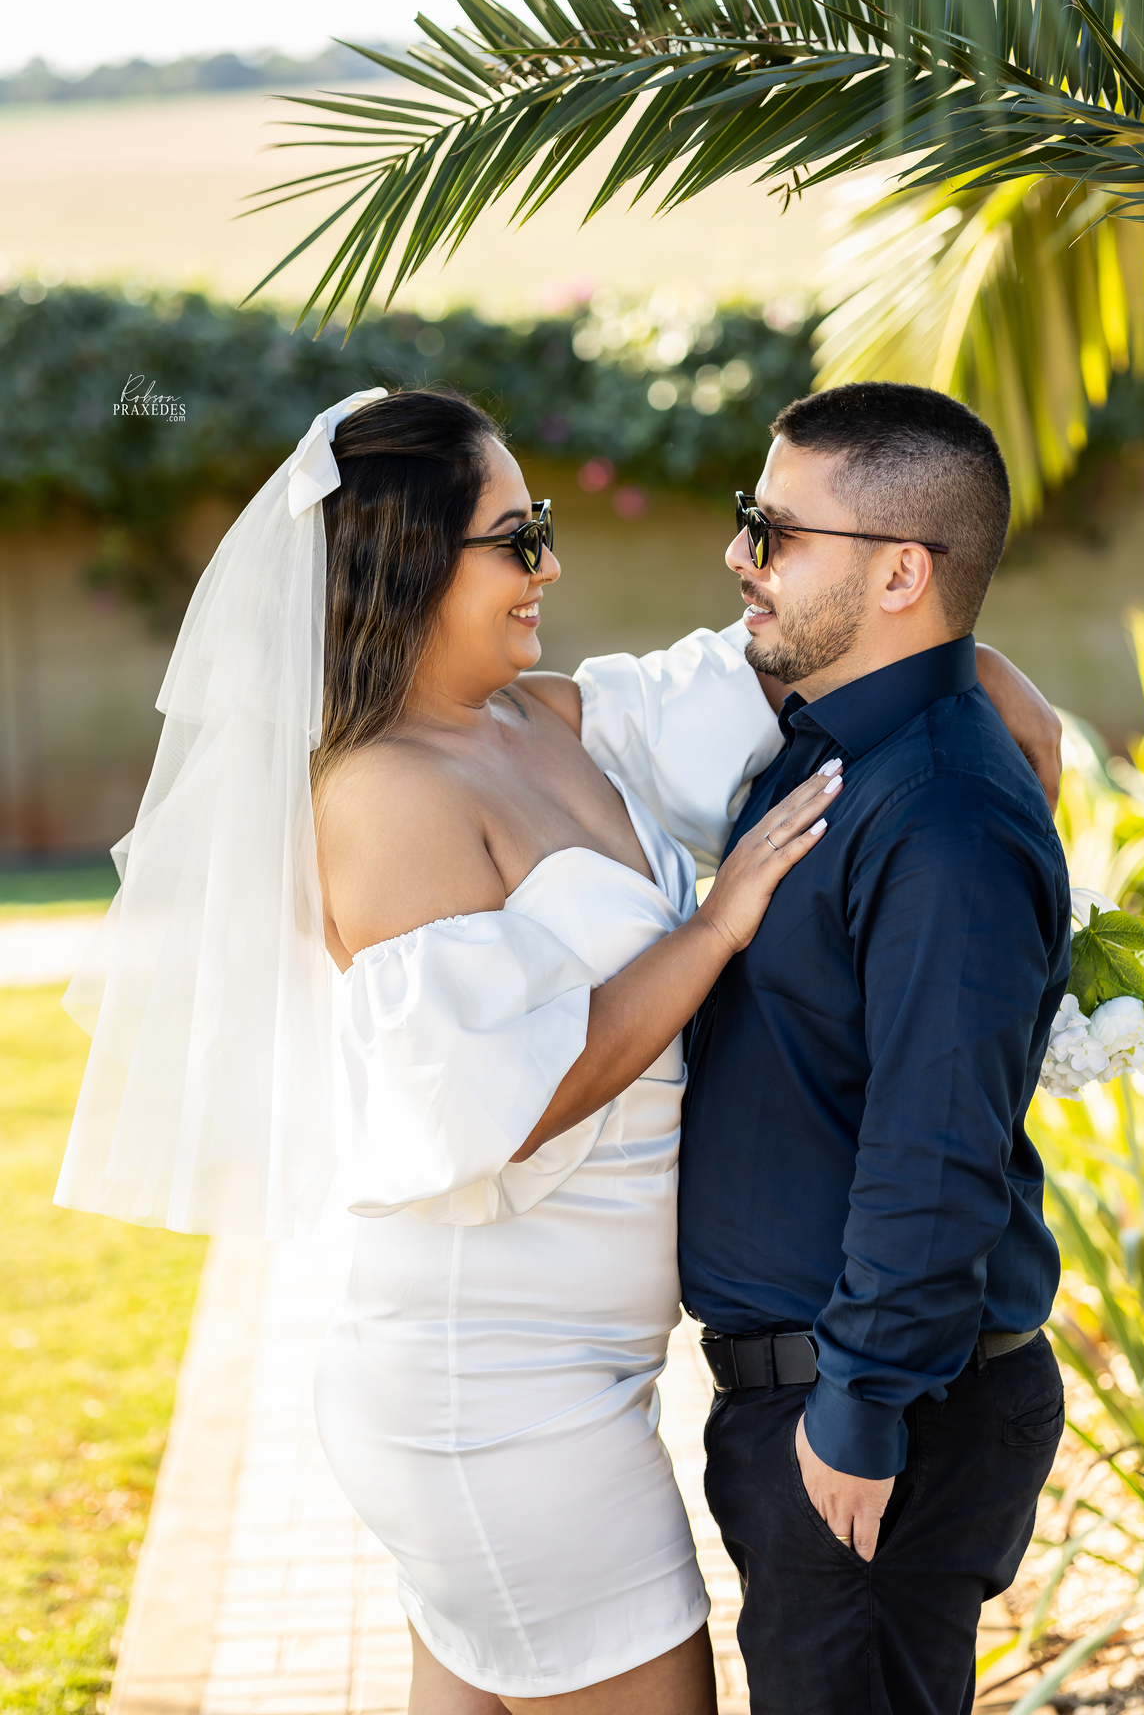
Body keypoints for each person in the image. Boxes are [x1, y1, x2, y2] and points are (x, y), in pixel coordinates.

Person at [55, 382, 1061, 1715]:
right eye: (517, 537)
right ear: (412, 560)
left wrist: (973, 666)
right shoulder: (383, 794)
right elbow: (488, 1103)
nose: (552, 562)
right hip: (497, 1391)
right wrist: (707, 934)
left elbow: (793, 663)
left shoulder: (559, 719)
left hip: (586, 1384)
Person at [674, 383, 1071, 1715]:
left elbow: (938, 1140)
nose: (740, 556)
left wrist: (858, 1409)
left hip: (874, 1424)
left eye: (772, 530)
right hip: (826, 1405)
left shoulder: (941, 812)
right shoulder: (835, 746)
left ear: (902, 572)